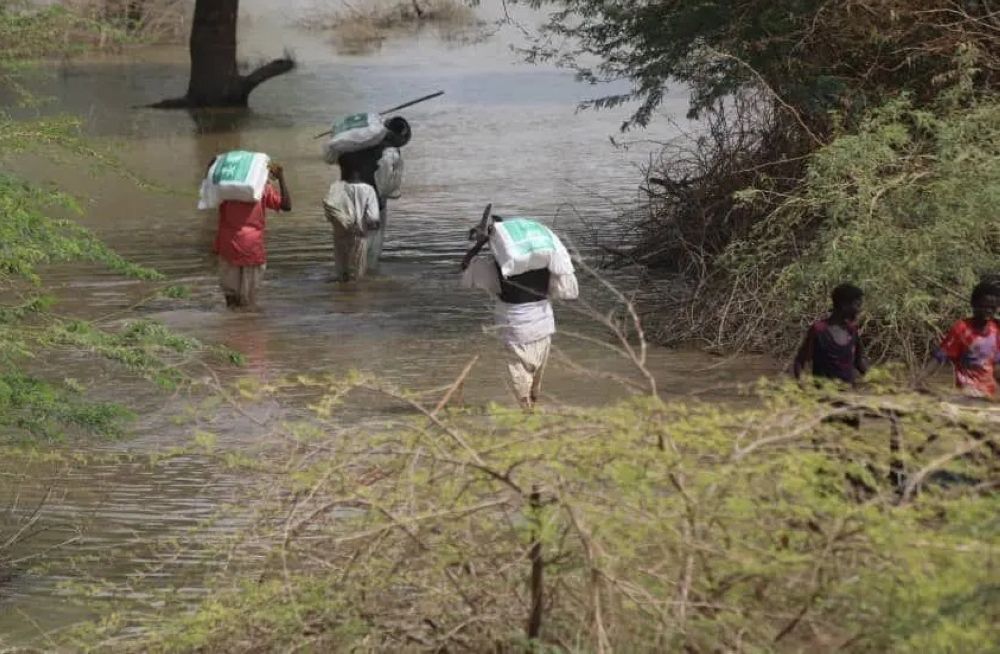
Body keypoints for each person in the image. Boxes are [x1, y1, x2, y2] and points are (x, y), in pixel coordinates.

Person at [462, 216, 556, 411]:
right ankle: (534, 410)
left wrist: (481, 242)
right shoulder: (544, 259)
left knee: (520, 373)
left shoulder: (500, 267)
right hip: (544, 322)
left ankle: (527, 413)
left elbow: (466, 265)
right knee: (537, 375)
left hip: (517, 325)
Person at [212, 161, 291, 308]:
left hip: (228, 247)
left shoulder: (226, 190)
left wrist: (215, 166)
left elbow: (209, 186)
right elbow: (286, 205)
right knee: (248, 302)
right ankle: (248, 327)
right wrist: (281, 177)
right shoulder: (261, 189)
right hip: (252, 248)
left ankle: (231, 328)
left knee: (231, 301)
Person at [932, 281, 1000, 398]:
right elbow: (940, 356)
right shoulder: (962, 328)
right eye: (984, 306)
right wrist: (917, 380)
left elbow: (997, 365)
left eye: (992, 308)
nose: (988, 311)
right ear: (973, 304)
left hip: (990, 393)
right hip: (968, 391)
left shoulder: (996, 329)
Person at [793, 283, 868, 385]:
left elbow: (859, 363)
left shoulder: (852, 330)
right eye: (857, 305)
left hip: (847, 394)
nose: (859, 310)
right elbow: (800, 362)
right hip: (823, 394)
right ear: (844, 305)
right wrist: (803, 385)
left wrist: (877, 381)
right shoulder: (819, 330)